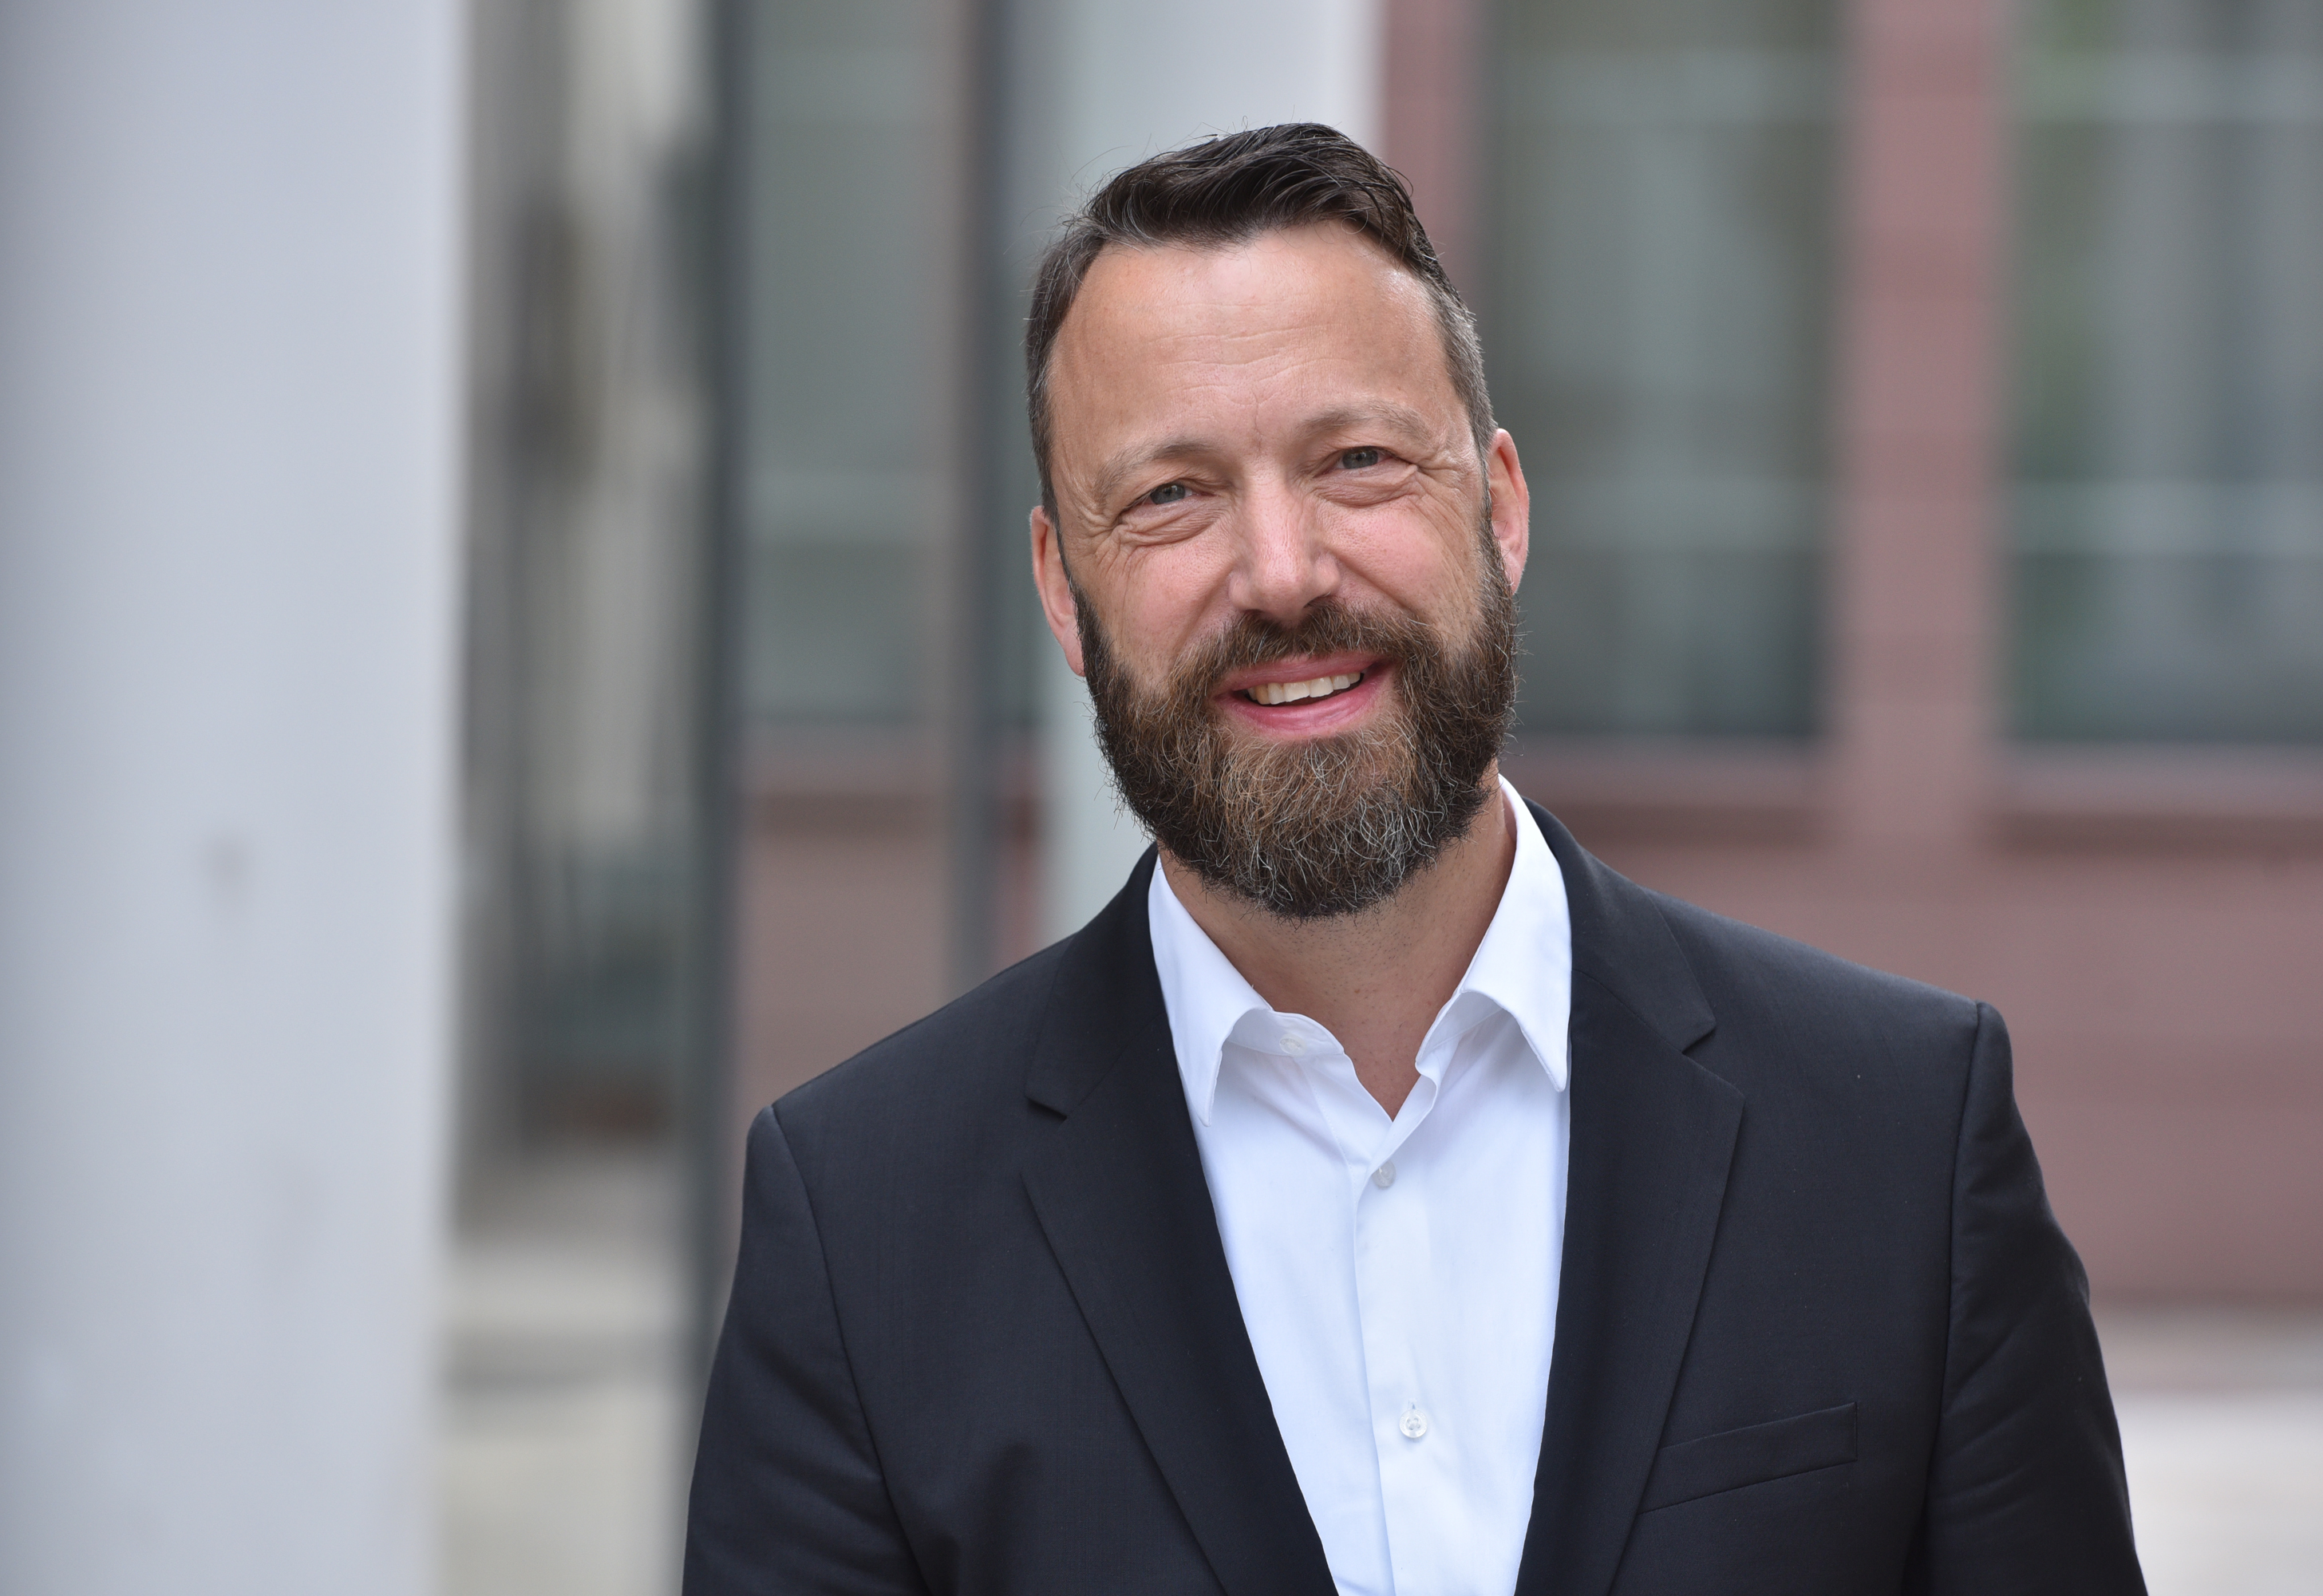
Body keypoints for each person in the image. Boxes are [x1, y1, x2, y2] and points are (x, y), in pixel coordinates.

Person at [684, 123, 2144, 1595]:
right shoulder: (862, 1228)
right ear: (1065, 591)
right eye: (1172, 496)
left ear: (1499, 510)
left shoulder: (1902, 1142)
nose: (1282, 570)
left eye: (1359, 461)